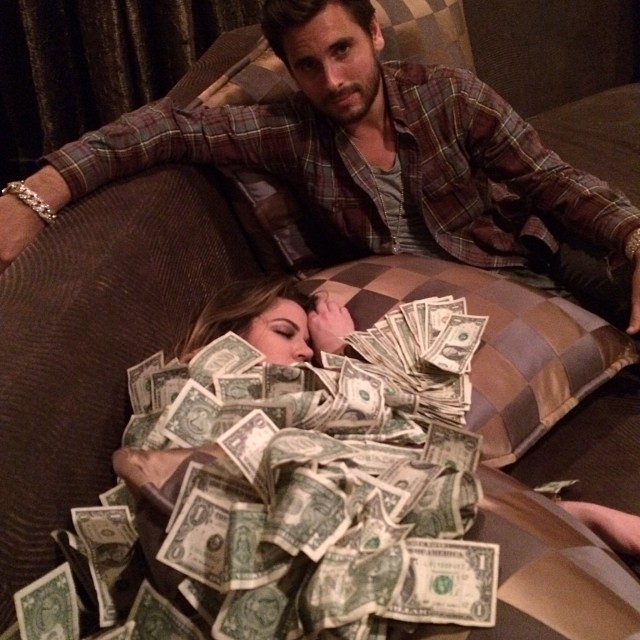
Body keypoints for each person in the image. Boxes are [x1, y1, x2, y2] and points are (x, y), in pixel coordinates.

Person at [2, 0, 639, 333]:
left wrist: (634, 236)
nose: (332, 81)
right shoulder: (291, 131)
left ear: (375, 35)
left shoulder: (450, 97)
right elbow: (169, 128)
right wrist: (38, 192)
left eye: (343, 50)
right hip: (411, 319)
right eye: (308, 65)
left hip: (510, 271)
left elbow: (551, 179)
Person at [114, 274, 640, 559]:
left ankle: (577, 518)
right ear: (222, 337)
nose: (304, 352)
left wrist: (340, 356)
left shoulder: (315, 398)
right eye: (284, 332)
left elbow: (409, 456)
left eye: (306, 341)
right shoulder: (186, 395)